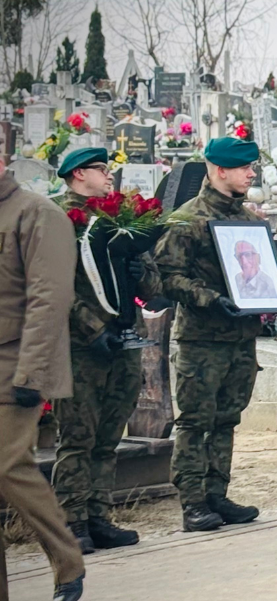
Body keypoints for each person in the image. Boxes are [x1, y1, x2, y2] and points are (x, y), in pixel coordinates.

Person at [155, 137, 268, 531]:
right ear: (220, 170)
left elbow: (266, 276)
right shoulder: (188, 218)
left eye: (252, 167)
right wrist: (210, 298)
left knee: (226, 419)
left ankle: (217, 494)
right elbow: (166, 277)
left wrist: (270, 302)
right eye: (244, 168)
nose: (251, 173)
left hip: (240, 337)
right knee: (195, 421)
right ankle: (193, 502)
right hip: (201, 340)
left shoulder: (251, 222)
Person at [52, 148, 162, 553]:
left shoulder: (121, 218)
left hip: (123, 340)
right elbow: (53, 285)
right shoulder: (58, 218)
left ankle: (99, 515)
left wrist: (141, 272)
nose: (109, 175)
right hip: (81, 346)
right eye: (102, 169)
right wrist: (92, 327)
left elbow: (152, 282)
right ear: (79, 174)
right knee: (77, 436)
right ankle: (71, 522)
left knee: (109, 434)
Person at [0, 156, 86, 601]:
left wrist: (32, 373)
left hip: (15, 364)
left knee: (9, 466)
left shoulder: (37, 213)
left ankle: (67, 560)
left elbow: (50, 297)